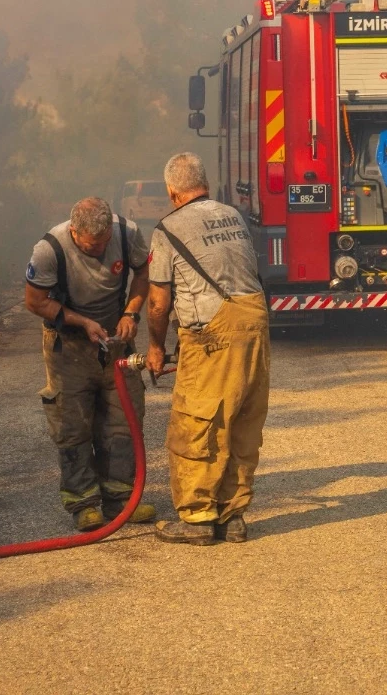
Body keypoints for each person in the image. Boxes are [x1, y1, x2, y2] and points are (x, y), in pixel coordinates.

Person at [145, 152, 269, 546]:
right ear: (206, 185)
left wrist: (154, 346)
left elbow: (158, 303)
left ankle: (198, 519)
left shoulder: (168, 229)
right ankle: (232, 517)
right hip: (255, 320)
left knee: (197, 422)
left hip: (211, 333)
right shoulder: (234, 216)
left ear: (172, 191)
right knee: (242, 420)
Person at [24, 197, 156, 531]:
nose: (99, 250)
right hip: (68, 344)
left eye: (104, 243)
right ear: (74, 231)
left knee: (123, 420)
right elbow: (35, 302)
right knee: (73, 422)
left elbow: (144, 273)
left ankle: (122, 500)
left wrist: (131, 312)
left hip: (116, 341)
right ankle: (83, 503)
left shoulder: (127, 234)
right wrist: (81, 322)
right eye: (90, 244)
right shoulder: (49, 249)